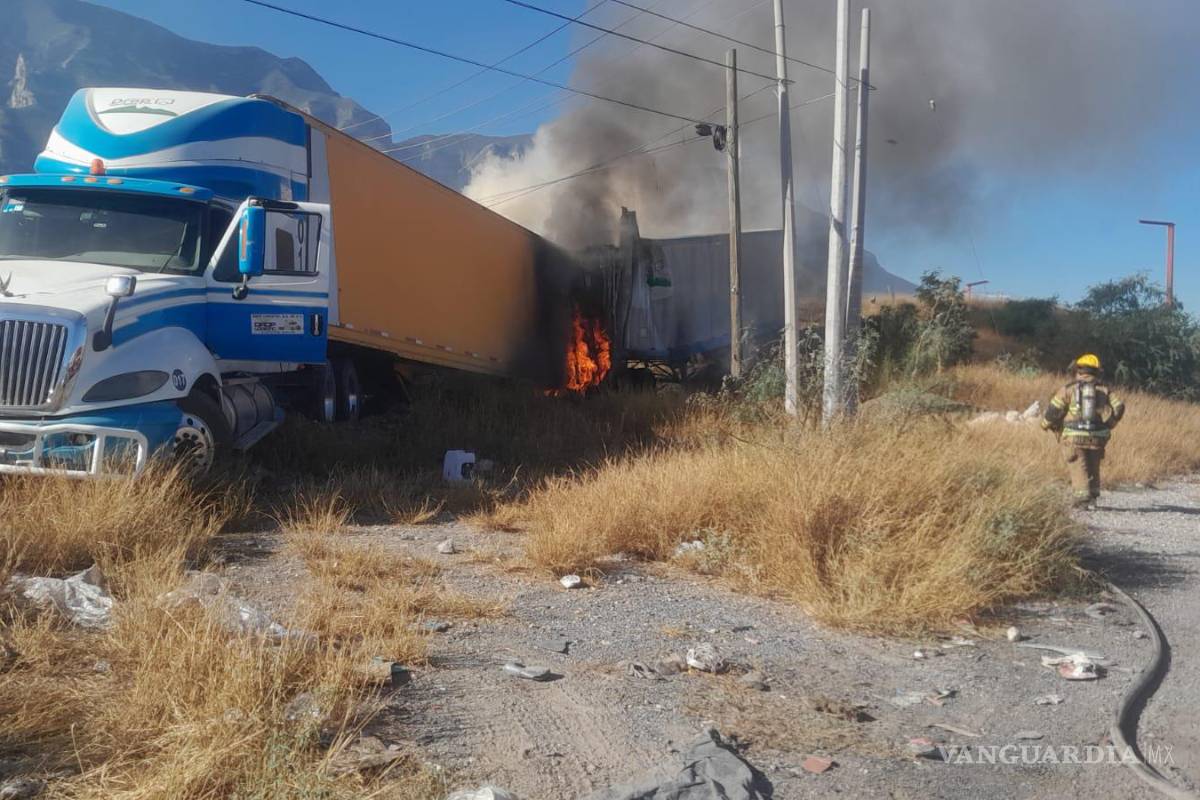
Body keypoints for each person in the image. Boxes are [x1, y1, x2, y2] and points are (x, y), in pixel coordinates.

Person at [1041, 354, 1126, 508]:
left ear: (1078, 370)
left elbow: (1054, 411)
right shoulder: (1104, 389)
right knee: (1093, 464)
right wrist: (1109, 424)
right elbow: (1119, 407)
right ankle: (1093, 495)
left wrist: (1045, 424)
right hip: (1097, 436)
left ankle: (1082, 500)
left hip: (1073, 436)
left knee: (1078, 464)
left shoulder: (1068, 389)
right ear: (1096, 371)